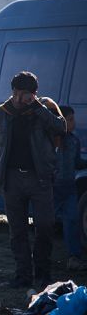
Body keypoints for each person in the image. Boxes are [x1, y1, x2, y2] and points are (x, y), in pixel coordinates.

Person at [0, 71, 66, 288]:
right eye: (19, 94)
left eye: (27, 94)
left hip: (40, 178)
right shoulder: (1, 114)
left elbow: (61, 127)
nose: (22, 99)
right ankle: (22, 276)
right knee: (17, 230)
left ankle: (43, 274)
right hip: (11, 179)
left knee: (45, 226)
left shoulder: (43, 110)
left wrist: (38, 108)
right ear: (13, 92)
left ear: (34, 93)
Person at [54, 106, 87, 271]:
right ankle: (40, 258)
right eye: (70, 119)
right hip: (52, 188)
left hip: (69, 188)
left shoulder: (74, 140)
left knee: (72, 222)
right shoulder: (52, 140)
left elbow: (77, 162)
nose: (74, 122)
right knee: (45, 224)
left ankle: (74, 257)